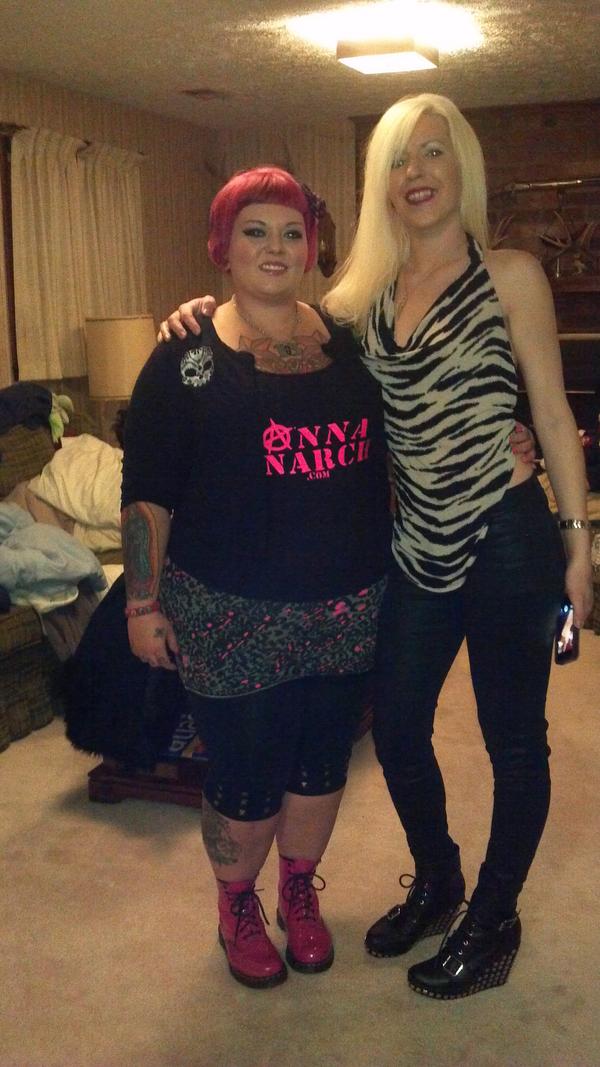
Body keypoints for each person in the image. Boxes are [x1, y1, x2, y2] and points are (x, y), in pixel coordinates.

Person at [158, 95, 593, 1000]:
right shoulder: (359, 299)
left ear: (463, 165)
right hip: (414, 545)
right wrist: (195, 312)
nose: (416, 172)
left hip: (508, 538)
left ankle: (494, 917)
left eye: (433, 152)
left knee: (514, 741)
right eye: (398, 158)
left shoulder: (511, 275)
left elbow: (552, 413)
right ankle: (438, 879)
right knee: (396, 727)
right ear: (380, 184)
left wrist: (578, 544)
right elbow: (277, 327)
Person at [121, 166, 394, 990]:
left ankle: (298, 891)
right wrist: (141, 602)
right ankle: (236, 902)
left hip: (349, 605)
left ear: (311, 248)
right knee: (245, 774)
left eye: (291, 232)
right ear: (223, 245)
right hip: (228, 610)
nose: (276, 247)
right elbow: (148, 492)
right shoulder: (182, 357)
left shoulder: (351, 342)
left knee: (321, 764)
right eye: (255, 231)